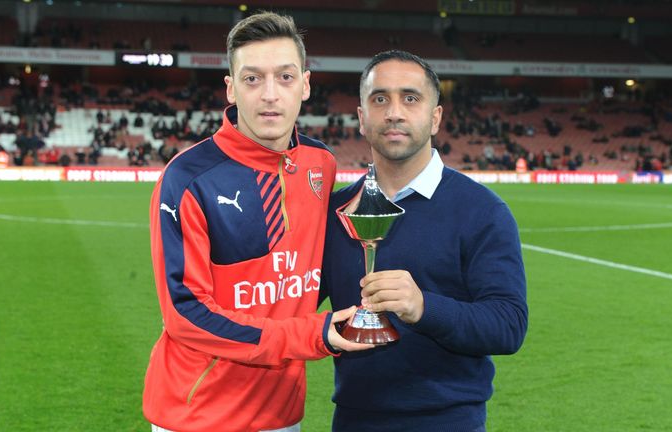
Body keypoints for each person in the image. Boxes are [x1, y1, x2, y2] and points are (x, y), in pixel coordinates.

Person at [143, 12, 372, 432]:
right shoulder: (187, 179)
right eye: (252, 79)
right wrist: (311, 335)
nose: (270, 94)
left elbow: (307, 270)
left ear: (305, 85)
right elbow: (185, 313)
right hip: (198, 415)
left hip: (281, 415)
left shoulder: (320, 163)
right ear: (230, 89)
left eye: (284, 78)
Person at [319, 50, 528, 432]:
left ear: (435, 118)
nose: (394, 112)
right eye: (380, 99)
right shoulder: (333, 212)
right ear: (362, 118)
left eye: (410, 98)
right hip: (353, 419)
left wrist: (423, 307)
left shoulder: (482, 210)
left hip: (449, 421)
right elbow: (288, 301)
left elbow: (509, 324)